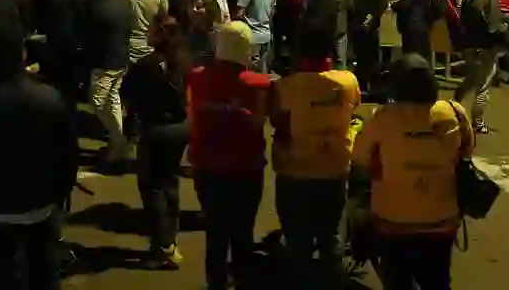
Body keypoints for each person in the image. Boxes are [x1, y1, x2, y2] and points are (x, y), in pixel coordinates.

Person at [0, 24, 79, 290]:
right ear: (22, 54)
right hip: (41, 203)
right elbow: (68, 155)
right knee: (43, 270)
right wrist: (59, 194)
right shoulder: (49, 97)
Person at [351, 54, 472, 289]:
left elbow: (360, 158)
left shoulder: (383, 117)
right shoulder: (454, 112)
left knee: (398, 281)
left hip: (393, 221)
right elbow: (466, 152)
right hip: (441, 220)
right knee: (437, 280)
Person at [270, 25, 360, 286]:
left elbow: (277, 120)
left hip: (294, 170)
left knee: (298, 241)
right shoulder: (348, 81)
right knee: (331, 237)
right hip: (335, 168)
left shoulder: (286, 86)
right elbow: (353, 109)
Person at [186, 22, 271, 290]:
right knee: (243, 234)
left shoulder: (197, 77)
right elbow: (259, 121)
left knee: (215, 235)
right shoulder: (259, 84)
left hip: (208, 167)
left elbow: (192, 114)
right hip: (247, 167)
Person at [122, 18, 191, 269]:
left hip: (156, 131)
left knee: (151, 187)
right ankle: (170, 238)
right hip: (180, 128)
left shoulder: (146, 66)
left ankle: (163, 246)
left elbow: (126, 93)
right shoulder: (183, 61)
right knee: (169, 181)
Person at [88, 0, 134, 165]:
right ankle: (117, 142)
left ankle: (119, 140)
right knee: (113, 99)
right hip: (121, 57)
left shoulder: (101, 4)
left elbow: (91, 32)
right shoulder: (126, 1)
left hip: (105, 60)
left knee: (98, 101)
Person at [32, 0, 86, 114]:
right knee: (67, 80)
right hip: (68, 41)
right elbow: (80, 15)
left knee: (48, 79)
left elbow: (33, 16)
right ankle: (68, 110)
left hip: (46, 41)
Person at [456, 0, 506, 132]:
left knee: (471, 79)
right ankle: (478, 122)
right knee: (483, 85)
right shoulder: (491, 0)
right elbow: (493, 27)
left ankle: (455, 105)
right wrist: (507, 28)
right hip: (485, 47)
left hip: (468, 45)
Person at [352, 0, 387, 95]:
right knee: (361, 59)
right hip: (358, 27)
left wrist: (370, 18)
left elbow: (381, 4)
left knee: (371, 59)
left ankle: (374, 89)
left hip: (370, 28)